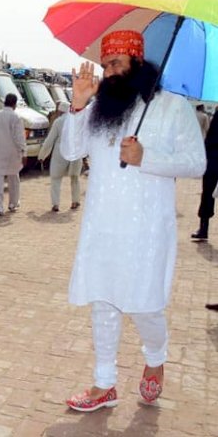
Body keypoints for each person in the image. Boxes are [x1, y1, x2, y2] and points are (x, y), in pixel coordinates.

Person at [60, 30, 206, 412]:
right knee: (103, 303)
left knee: (145, 306)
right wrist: (76, 107)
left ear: (138, 64)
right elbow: (71, 151)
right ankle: (104, 384)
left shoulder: (174, 107)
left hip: (147, 231)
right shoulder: (98, 109)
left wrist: (148, 158)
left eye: (116, 64)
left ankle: (156, 358)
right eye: (106, 65)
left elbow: (197, 163)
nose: (109, 73)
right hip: (102, 227)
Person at [0, 93, 26, 216]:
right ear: (15, 104)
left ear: (4, 102)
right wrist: (24, 152)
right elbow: (19, 138)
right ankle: (13, 203)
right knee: (13, 178)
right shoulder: (16, 117)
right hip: (13, 153)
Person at [38, 100, 83, 212]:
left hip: (60, 152)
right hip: (75, 152)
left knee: (56, 179)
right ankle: (75, 201)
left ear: (60, 111)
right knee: (75, 178)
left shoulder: (58, 122)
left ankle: (55, 204)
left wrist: (42, 155)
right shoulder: (77, 120)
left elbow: (49, 141)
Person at [190, 114, 218, 240]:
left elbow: (210, 138)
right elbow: (211, 137)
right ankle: (203, 227)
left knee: (207, 194)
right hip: (214, 159)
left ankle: (203, 228)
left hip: (214, 159)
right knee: (207, 194)